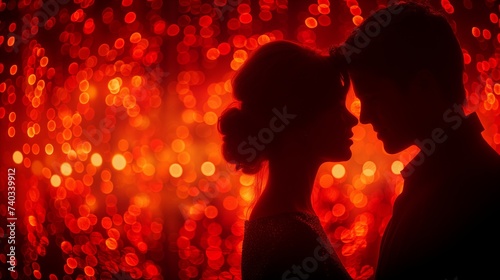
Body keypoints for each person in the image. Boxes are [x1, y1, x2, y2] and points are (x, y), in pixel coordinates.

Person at [334, 1, 500, 279]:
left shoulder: (468, 192)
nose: (363, 117)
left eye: (373, 98)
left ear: (424, 85)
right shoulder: (455, 177)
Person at [218, 40, 356, 280]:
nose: (352, 119)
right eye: (337, 107)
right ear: (300, 122)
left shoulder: (286, 220)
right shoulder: (291, 238)